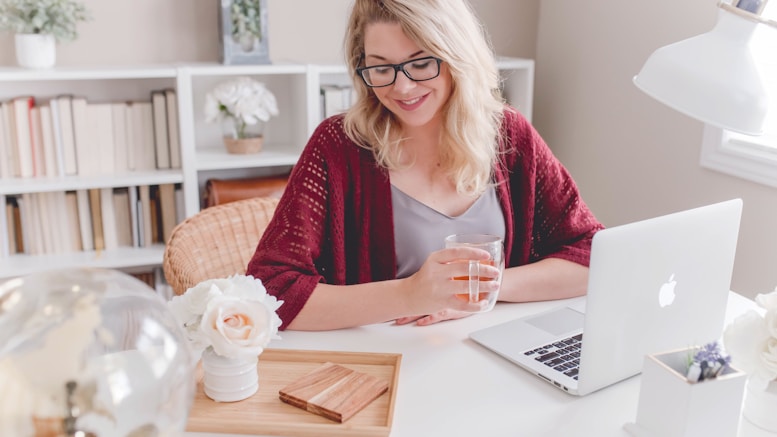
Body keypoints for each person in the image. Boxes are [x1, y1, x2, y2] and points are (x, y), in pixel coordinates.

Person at [246, 0, 604, 331]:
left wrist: (480, 289)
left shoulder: (510, 136)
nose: (402, 87)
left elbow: (593, 255)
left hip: (491, 354)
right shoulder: (338, 146)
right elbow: (270, 289)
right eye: (381, 67)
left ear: (457, 56)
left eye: (421, 63)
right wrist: (410, 294)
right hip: (381, 369)